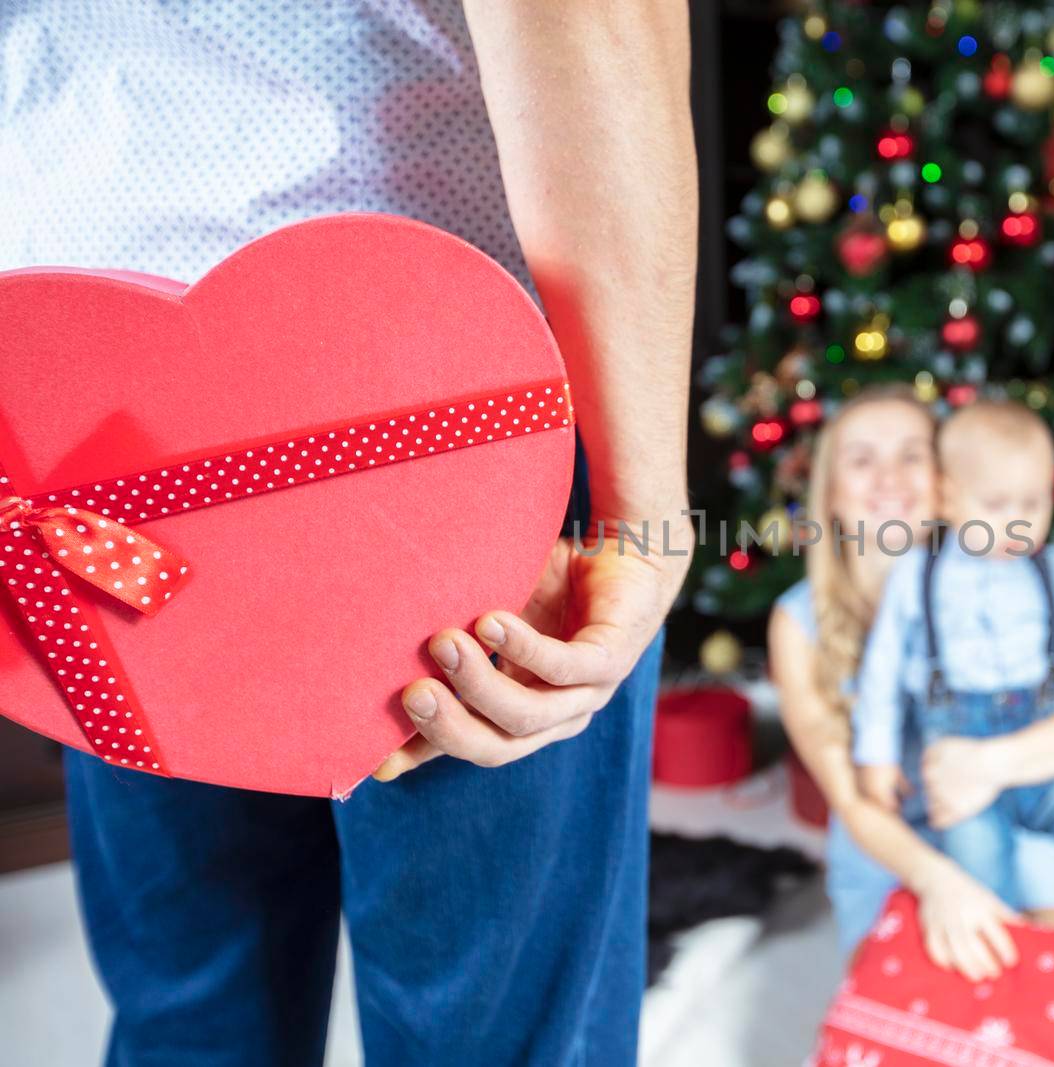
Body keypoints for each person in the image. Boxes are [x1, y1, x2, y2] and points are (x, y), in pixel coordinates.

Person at [0, 3, 695, 1065]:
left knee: (189, 1002)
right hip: (428, 417)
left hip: (79, 429)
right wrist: (642, 515)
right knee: (495, 1029)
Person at [769, 386, 1054, 983]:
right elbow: (851, 798)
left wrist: (987, 766)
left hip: (1009, 815)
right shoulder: (797, 624)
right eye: (862, 459)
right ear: (831, 492)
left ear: (946, 481)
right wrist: (941, 885)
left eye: (911, 455)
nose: (889, 476)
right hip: (891, 849)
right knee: (927, 999)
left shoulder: (1008, 586)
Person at [851, 400, 1054, 935]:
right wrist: (876, 756)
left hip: (1046, 751)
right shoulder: (918, 575)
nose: (1018, 523)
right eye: (997, 504)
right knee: (980, 874)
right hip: (958, 760)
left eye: (1034, 503)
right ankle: (1004, 997)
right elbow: (882, 672)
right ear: (947, 495)